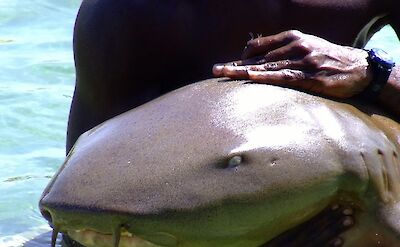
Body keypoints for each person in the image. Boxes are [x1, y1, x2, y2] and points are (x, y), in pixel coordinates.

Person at [62, 0, 400, 245]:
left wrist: (372, 72)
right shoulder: (129, 13)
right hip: (188, 216)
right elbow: (84, 210)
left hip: (343, 173)